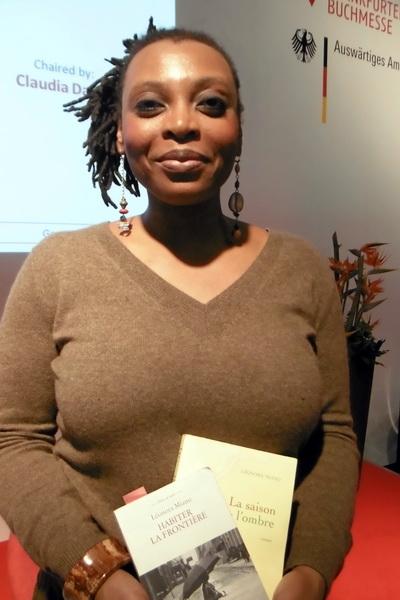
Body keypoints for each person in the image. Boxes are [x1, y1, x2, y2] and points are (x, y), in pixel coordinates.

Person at [0, 23, 359, 600]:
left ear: (238, 130)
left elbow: (334, 437)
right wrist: (95, 575)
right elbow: (14, 440)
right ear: (120, 133)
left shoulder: (302, 270)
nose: (182, 123)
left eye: (211, 103)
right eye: (150, 105)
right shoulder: (59, 267)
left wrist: (311, 572)